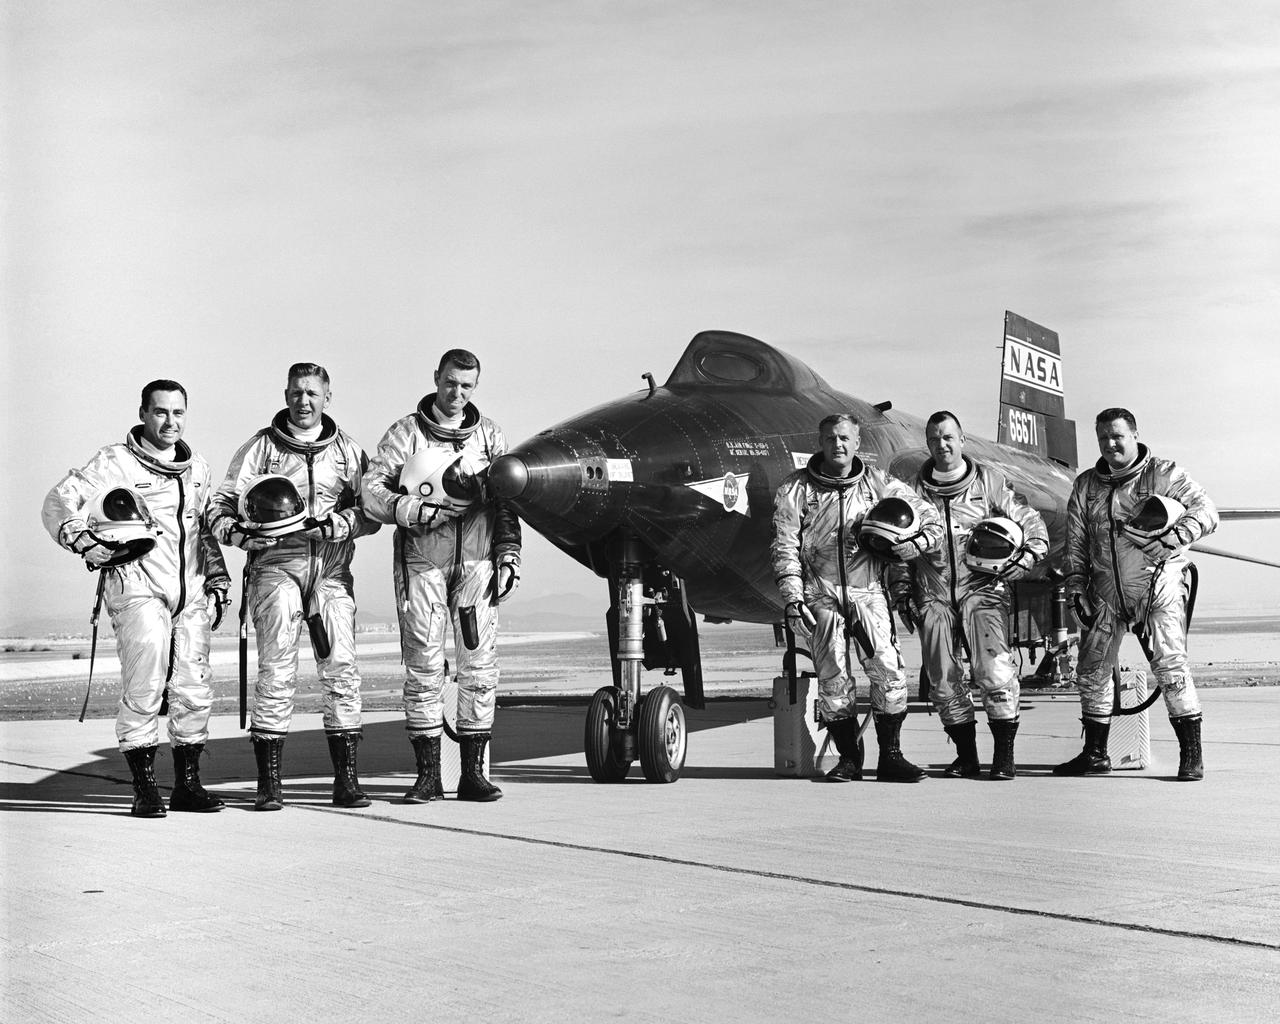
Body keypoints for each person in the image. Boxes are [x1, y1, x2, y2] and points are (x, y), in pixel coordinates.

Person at [42, 380, 231, 818]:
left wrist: (218, 578)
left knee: (193, 689)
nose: (170, 422)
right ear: (144, 412)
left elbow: (201, 528)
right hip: (138, 583)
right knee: (145, 684)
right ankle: (144, 787)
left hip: (191, 588)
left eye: (178, 413)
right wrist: (84, 541)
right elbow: (58, 501)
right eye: (161, 412)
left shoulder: (197, 467)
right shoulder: (115, 461)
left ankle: (187, 785)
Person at [207, 363, 381, 811]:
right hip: (276, 566)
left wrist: (344, 523)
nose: (304, 402)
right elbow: (221, 505)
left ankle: (346, 781)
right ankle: (270, 785)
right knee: (277, 672)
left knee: (341, 669)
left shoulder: (347, 452)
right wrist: (237, 534)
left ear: (327, 397)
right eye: (297, 393)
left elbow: (373, 508)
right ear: (285, 394)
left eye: (312, 394)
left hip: (330, 569)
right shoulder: (260, 449)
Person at [361, 349, 521, 803]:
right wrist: (411, 509)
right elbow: (371, 491)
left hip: (476, 562)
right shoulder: (405, 434)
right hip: (423, 561)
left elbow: (508, 499)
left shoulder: (488, 436)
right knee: (424, 666)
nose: (456, 393)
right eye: (450, 383)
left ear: (476, 387)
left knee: (479, 666)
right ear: (436, 378)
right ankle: (428, 775)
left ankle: (472, 774)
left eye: (466, 386)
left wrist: (509, 555)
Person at [771, 413, 943, 783]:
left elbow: (932, 522)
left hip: (868, 592)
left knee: (891, 672)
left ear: (857, 442)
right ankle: (849, 759)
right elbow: (784, 547)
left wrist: (911, 549)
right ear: (820, 442)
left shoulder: (878, 483)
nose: (838, 445)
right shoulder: (795, 489)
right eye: (831, 438)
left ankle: (891, 757)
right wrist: (793, 598)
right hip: (820, 595)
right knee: (833, 680)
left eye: (845, 438)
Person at [1056, 408, 1218, 781]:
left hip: (1155, 588)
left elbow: (1207, 511)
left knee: (1171, 668)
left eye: (1117, 436)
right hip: (1105, 592)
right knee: (1092, 672)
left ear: (1133, 434)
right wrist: (1076, 586)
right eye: (1103, 438)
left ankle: (1191, 757)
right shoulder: (1086, 487)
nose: (1110, 444)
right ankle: (1095, 754)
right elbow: (1076, 544)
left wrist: (1175, 538)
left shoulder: (1164, 474)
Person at [888, 411, 1049, 781]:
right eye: (933, 439)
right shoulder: (913, 491)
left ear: (962, 440)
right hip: (933, 595)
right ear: (927, 444)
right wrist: (901, 593)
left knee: (994, 673)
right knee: (943, 681)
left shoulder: (990, 482)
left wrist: (1026, 558)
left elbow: (1031, 522)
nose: (941, 445)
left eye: (948, 437)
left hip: (982, 592)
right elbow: (901, 549)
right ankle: (966, 756)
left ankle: (1004, 757)